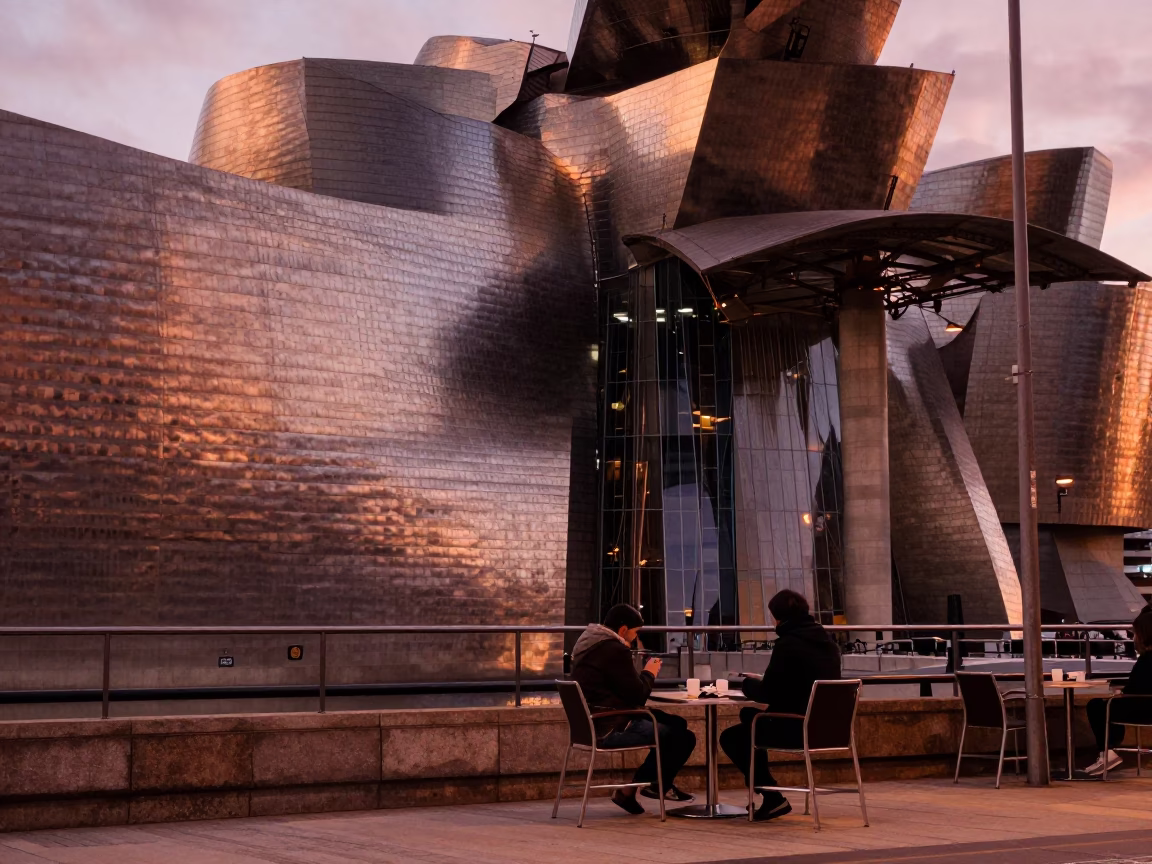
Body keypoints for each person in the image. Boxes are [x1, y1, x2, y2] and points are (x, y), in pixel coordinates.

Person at [719, 589, 841, 822]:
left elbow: (768, 692)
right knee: (750, 721)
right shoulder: (829, 644)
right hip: (829, 730)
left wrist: (745, 684)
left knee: (734, 737)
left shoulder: (787, 645)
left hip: (796, 728)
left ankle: (772, 796)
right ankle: (770, 796)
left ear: (779, 617)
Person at [570, 603, 697, 813]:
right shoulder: (614, 649)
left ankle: (646, 788)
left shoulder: (591, 646)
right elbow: (639, 695)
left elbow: (622, 689)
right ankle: (648, 787)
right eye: (635, 632)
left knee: (677, 724)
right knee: (682, 737)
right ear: (623, 630)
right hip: (611, 726)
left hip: (593, 723)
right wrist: (650, 672)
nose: (635, 637)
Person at [1084, 610, 1152, 774]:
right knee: (1111, 706)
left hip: (1143, 709)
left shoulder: (1146, 660)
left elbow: (1137, 688)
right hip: (1146, 706)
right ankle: (1109, 750)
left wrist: (1121, 693)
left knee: (1096, 706)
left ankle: (1107, 751)